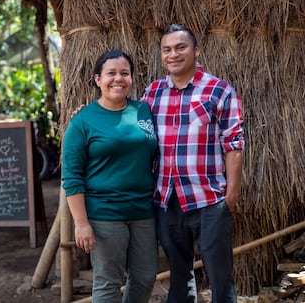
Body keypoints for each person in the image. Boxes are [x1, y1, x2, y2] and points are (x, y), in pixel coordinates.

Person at [141, 24, 245, 303]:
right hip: (167, 199)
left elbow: (234, 144)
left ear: (196, 50)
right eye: (167, 49)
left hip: (209, 200)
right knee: (179, 276)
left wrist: (230, 195)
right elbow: (129, 128)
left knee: (220, 276)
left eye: (180, 47)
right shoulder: (152, 94)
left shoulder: (219, 90)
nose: (173, 54)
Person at [61, 50, 158, 303]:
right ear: (97, 79)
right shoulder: (83, 121)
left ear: (132, 78)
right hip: (105, 214)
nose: (118, 79)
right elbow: (71, 177)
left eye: (124, 73)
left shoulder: (143, 111)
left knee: (146, 277)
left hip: (143, 211)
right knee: (108, 283)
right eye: (111, 73)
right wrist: (81, 223)